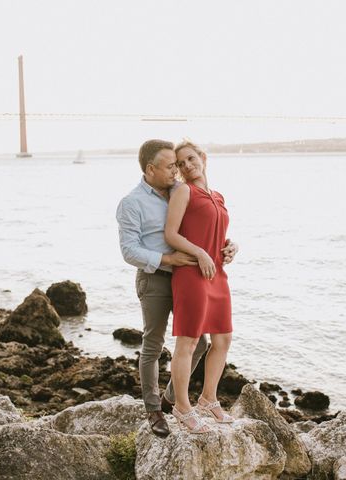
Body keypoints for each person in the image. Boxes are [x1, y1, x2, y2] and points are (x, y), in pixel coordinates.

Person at [116, 139, 238, 438]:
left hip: (189, 274)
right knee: (153, 344)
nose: (178, 170)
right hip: (156, 276)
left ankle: (174, 399)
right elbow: (129, 250)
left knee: (199, 344)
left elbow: (202, 226)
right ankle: (154, 409)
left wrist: (228, 246)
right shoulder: (132, 203)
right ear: (150, 168)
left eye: (181, 163)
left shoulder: (179, 190)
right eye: (172, 166)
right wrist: (169, 258)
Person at [164, 140, 235, 434]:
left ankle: (208, 399)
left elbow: (216, 234)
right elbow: (171, 234)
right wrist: (201, 253)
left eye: (191, 159)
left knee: (223, 340)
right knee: (189, 342)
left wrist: (231, 247)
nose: (187, 166)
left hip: (216, 274)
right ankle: (182, 407)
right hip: (192, 274)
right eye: (180, 163)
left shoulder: (217, 196)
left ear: (203, 158)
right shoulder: (184, 192)